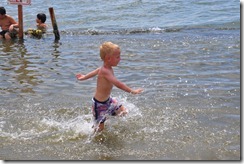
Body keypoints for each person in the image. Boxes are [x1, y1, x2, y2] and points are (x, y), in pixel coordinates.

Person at [76, 42, 143, 132]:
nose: (120, 59)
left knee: (124, 112)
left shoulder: (105, 68)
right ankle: (91, 134)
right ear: (108, 58)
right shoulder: (105, 71)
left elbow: (94, 72)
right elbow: (118, 84)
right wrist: (132, 91)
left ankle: (110, 118)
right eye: (117, 57)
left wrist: (84, 77)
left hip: (108, 100)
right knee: (99, 130)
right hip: (99, 104)